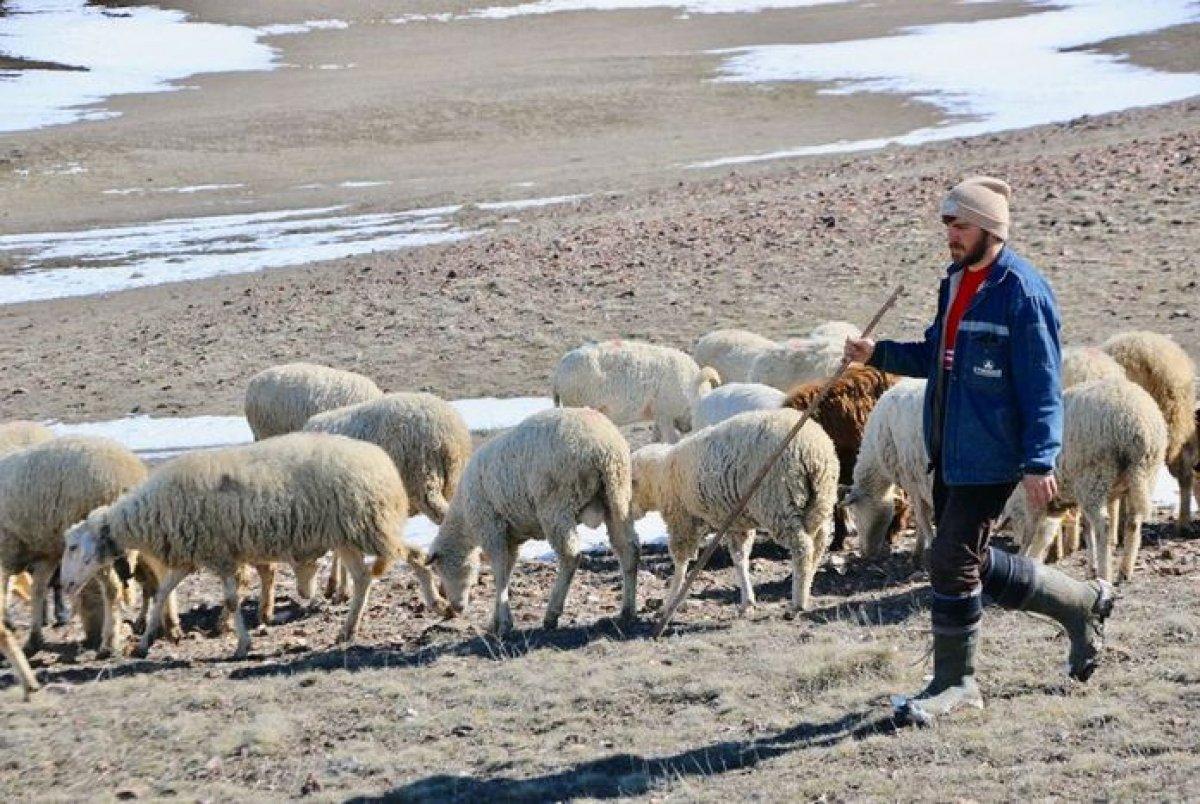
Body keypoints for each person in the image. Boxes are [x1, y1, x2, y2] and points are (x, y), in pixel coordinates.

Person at [843, 176, 1113, 725]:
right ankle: (1081, 604)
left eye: (959, 224)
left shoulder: (1023, 293)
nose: (950, 234)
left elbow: (1042, 387)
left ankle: (956, 684)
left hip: (992, 454)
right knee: (966, 560)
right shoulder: (956, 283)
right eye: (947, 224)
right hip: (949, 448)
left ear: (990, 228)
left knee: (949, 561)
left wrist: (1040, 460)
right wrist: (877, 354)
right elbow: (935, 355)